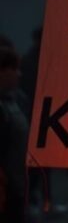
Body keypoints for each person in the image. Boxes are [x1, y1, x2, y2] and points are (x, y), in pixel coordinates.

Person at [0, 42, 27, 223]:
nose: (19, 74)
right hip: (6, 190)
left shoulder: (14, 100)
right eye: (14, 68)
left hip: (16, 187)